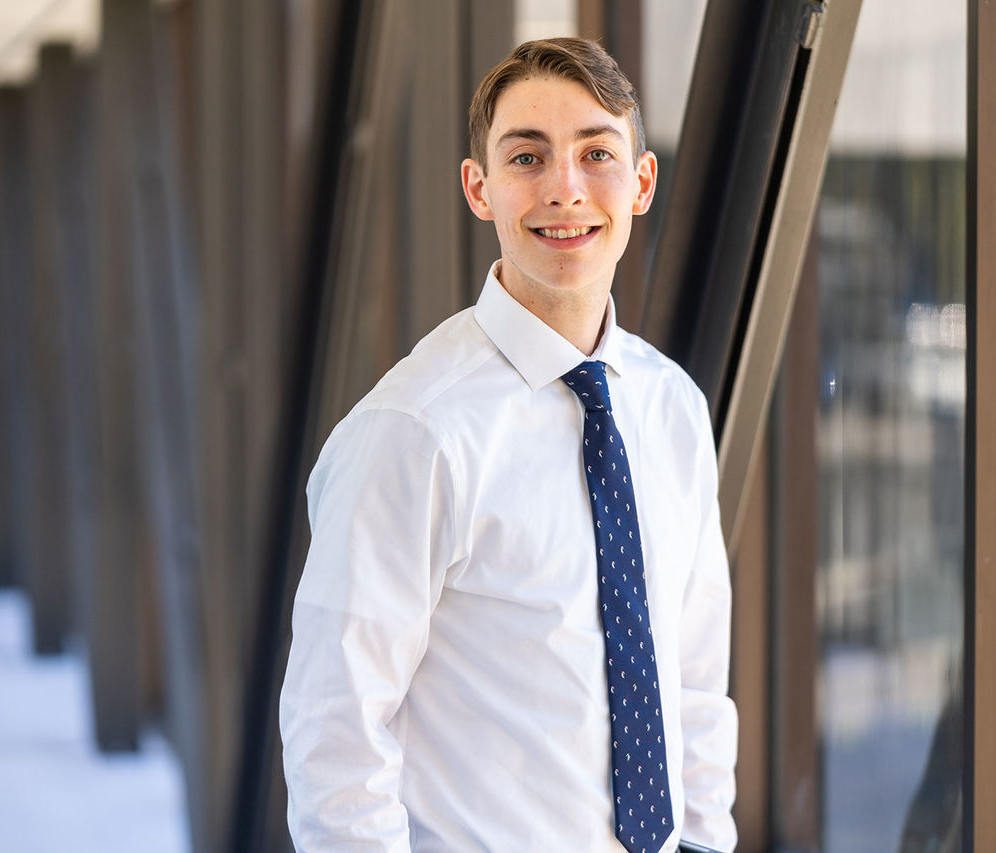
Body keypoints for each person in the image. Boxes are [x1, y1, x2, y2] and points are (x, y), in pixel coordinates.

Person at [279, 37, 737, 853]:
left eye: (596, 152)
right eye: (528, 156)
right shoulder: (412, 433)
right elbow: (336, 730)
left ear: (640, 183)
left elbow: (693, 679)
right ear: (479, 188)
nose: (565, 187)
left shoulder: (672, 408)